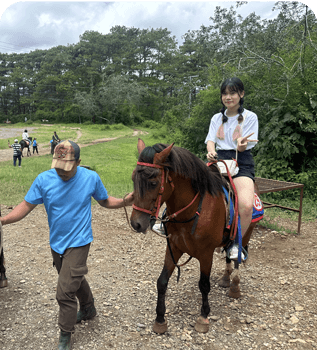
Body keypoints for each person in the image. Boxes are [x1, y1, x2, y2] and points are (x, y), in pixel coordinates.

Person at [0, 140, 134, 350]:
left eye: (67, 168)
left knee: (64, 292)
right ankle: (89, 309)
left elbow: (105, 201)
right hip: (57, 243)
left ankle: (65, 335)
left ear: (79, 162)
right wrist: (4, 220)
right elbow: (27, 205)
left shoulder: (90, 178)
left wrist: (125, 201)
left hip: (79, 242)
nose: (62, 172)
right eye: (58, 167)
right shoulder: (44, 180)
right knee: (73, 278)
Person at [205, 77, 258, 260]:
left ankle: (237, 244)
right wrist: (211, 152)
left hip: (241, 161)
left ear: (241, 94)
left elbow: (244, 147)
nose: (228, 97)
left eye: (233, 93)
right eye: (225, 93)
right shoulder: (216, 118)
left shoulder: (250, 117)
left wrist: (241, 145)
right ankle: (166, 221)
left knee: (245, 205)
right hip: (218, 160)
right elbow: (211, 140)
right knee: (191, 183)